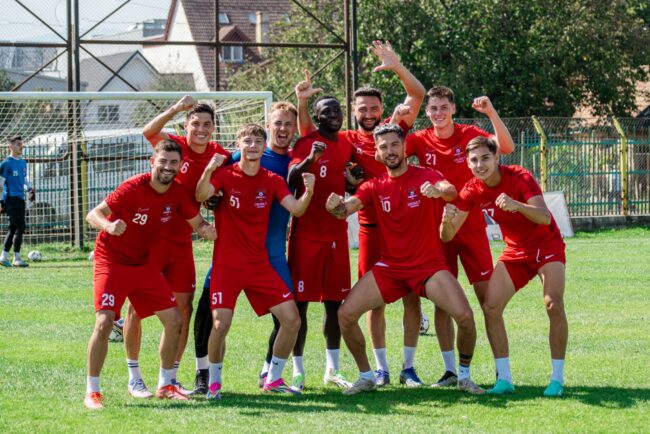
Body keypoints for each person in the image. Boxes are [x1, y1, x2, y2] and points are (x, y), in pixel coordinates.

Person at [295, 40, 428, 387]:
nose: (368, 114)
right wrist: (302, 101)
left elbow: (417, 95)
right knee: (376, 300)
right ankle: (381, 368)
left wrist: (396, 66)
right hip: (372, 227)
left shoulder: (393, 130)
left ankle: (409, 367)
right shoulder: (348, 138)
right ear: (353, 112)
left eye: (373, 108)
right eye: (362, 109)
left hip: (410, 226)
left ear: (382, 108)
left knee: (413, 296)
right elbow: (308, 135)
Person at [325, 124, 484, 395]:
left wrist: (439, 190)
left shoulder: (427, 175)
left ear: (404, 147)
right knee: (345, 315)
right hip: (390, 268)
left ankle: (465, 376)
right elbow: (346, 210)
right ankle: (366, 377)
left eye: (394, 145)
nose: (390, 150)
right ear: (377, 152)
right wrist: (335, 206)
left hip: (429, 267)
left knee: (466, 317)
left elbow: (449, 190)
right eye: (384, 146)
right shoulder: (374, 185)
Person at [83, 140, 217, 409]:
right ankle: (92, 391)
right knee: (105, 321)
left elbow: (197, 222)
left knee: (175, 320)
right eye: (163, 161)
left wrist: (206, 229)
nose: (168, 167)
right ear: (152, 161)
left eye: (173, 163)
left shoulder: (178, 192)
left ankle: (165, 384)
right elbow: (93, 214)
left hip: (143, 264)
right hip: (112, 261)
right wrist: (108, 226)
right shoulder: (133, 187)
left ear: (180, 165)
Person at [399, 86, 514, 388]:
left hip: (471, 225)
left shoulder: (469, 133)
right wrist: (399, 116)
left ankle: (503, 372)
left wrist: (490, 112)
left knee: (488, 301)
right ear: (426, 113)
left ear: (452, 108)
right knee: (443, 303)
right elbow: (388, 149)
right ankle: (451, 372)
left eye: (443, 107)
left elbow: (506, 147)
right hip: (437, 230)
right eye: (433, 108)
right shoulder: (420, 139)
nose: (438, 113)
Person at [440, 136, 568, 397]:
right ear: (467, 163)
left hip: (547, 245)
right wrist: (445, 221)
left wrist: (516, 205)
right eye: (473, 160)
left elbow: (544, 217)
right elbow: (448, 236)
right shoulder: (472, 188)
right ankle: (505, 379)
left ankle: (557, 379)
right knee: (491, 306)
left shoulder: (520, 176)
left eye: (485, 158)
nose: (479, 164)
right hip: (516, 251)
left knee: (552, 303)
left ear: (497, 158)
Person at [195, 124, 315, 398]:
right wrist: (209, 170)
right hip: (227, 267)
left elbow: (296, 209)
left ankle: (274, 378)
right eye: (247, 141)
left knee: (292, 319)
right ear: (239, 145)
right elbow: (201, 195)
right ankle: (214, 383)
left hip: (260, 266)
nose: (252, 146)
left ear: (264, 146)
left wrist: (308, 191)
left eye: (257, 142)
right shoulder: (225, 175)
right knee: (220, 325)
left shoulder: (273, 179)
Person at [121, 96, 230, 398]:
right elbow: (148, 132)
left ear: (213, 128)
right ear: (186, 126)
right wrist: (176, 108)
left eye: (207, 125)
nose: (201, 129)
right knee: (137, 309)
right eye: (195, 123)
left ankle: (168, 379)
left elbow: (233, 174)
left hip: (183, 242)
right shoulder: (174, 146)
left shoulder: (220, 153)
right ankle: (134, 376)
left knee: (183, 308)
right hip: (151, 241)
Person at [286, 95, 360, 391]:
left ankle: (332, 369)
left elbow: (352, 180)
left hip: (336, 235)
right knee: (300, 307)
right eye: (325, 111)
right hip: (306, 236)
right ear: (316, 118)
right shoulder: (306, 143)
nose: (333, 114)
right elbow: (291, 178)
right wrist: (310, 160)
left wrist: (353, 181)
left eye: (336, 109)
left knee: (335, 305)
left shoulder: (345, 144)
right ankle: (298, 371)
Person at [0, 136, 35, 268]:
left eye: (22, 144)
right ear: (11, 146)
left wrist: (30, 189)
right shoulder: (6, 163)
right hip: (10, 199)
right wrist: (1, 202)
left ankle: (3, 256)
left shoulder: (22, 163)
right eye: (18, 144)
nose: (21, 146)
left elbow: (24, 179)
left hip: (20, 198)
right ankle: (17, 257)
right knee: (21, 226)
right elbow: (0, 183)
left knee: (14, 227)